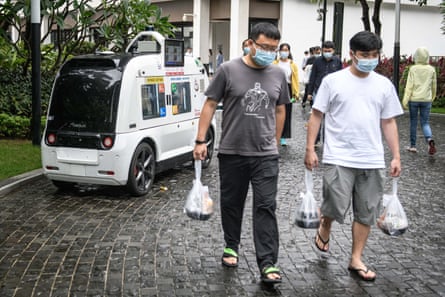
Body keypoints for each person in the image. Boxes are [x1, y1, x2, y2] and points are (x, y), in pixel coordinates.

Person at [193, 22, 289, 284]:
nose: (269, 52)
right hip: (232, 151)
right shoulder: (228, 70)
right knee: (232, 203)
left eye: (274, 48)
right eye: (264, 47)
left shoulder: (279, 74)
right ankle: (231, 244)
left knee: (266, 206)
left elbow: (281, 109)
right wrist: (201, 140)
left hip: (265, 155)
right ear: (251, 43)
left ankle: (268, 262)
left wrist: (276, 141)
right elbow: (210, 103)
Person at [304, 31, 403, 282]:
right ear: (351, 55)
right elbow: (317, 114)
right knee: (334, 205)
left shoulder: (383, 85)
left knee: (367, 211)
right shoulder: (333, 81)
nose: (370, 59)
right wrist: (309, 148)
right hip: (339, 156)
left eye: (374, 55)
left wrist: (396, 156)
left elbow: (389, 121)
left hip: (371, 158)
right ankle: (325, 226)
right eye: (364, 55)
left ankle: (356, 258)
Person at [402, 47, 437, 155]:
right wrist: (433, 96)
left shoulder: (413, 69)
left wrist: (405, 100)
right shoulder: (431, 69)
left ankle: (413, 146)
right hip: (426, 99)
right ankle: (429, 139)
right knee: (425, 122)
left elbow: (409, 86)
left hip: (414, 99)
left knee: (413, 122)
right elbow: (434, 85)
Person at [306, 41, 342, 145]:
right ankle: (315, 139)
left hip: (333, 92)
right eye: (325, 51)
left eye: (329, 51)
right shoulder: (317, 61)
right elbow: (312, 77)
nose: (327, 53)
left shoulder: (337, 61)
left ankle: (328, 139)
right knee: (317, 116)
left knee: (330, 117)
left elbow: (341, 77)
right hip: (318, 91)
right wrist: (309, 92)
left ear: (333, 51)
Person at [273, 43, 299, 146]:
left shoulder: (292, 64)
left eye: (286, 50)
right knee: (274, 112)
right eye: (282, 50)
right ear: (279, 51)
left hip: (288, 88)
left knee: (287, 113)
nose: (284, 52)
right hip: (276, 87)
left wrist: (296, 93)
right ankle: (273, 134)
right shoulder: (274, 63)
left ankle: (284, 136)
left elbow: (295, 79)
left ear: (289, 51)